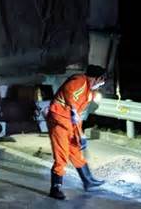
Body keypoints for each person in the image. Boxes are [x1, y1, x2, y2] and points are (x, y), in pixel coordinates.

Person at [47, 64, 107, 200]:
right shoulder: (79, 80)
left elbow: (78, 116)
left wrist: (81, 135)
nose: (101, 84)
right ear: (97, 78)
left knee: (76, 150)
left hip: (70, 123)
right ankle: (55, 188)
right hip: (59, 120)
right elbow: (69, 92)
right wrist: (73, 109)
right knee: (61, 154)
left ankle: (88, 181)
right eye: (102, 81)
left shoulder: (89, 93)